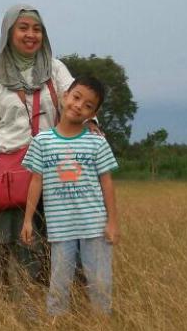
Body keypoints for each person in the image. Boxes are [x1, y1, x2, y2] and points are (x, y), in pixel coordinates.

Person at [0, 4, 74, 296]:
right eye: (23, 28)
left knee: (47, 240)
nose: (31, 35)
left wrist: (92, 123)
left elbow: (75, 98)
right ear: (9, 33)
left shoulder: (54, 69)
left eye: (37, 29)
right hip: (8, 173)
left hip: (50, 171)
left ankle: (47, 301)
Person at [20, 76, 120, 316]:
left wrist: (113, 222)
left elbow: (107, 183)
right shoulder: (42, 141)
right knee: (59, 284)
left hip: (94, 226)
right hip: (60, 228)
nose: (79, 106)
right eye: (76, 98)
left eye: (88, 105)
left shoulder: (96, 142)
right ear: (65, 96)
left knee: (100, 283)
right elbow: (36, 181)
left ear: (93, 114)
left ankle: (103, 329)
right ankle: (56, 329)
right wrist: (27, 220)